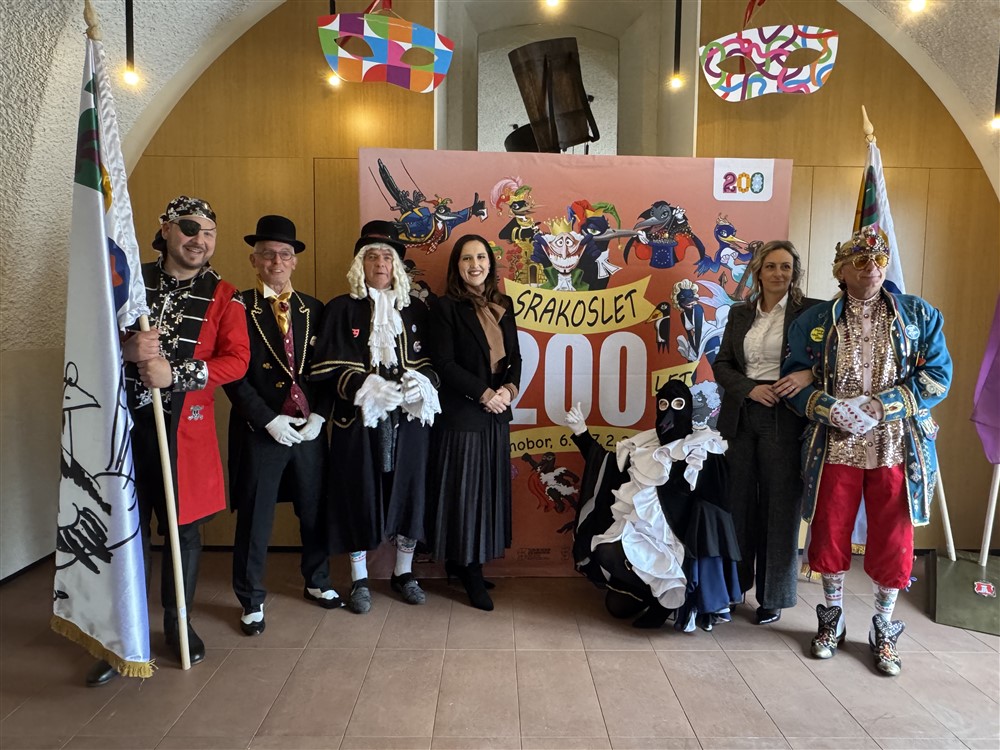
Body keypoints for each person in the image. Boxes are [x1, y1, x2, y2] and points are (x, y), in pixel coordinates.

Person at [87, 196, 250, 686]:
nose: (199, 240)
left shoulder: (226, 296)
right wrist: (125, 348)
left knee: (183, 531)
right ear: (165, 230)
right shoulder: (127, 283)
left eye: (208, 232)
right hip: (124, 427)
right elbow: (90, 337)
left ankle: (179, 621)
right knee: (125, 529)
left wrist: (176, 373)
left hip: (185, 431)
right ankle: (125, 632)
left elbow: (236, 360)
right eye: (189, 229)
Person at [783, 226, 952, 676]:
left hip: (896, 444)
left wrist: (883, 405)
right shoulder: (815, 322)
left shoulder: (918, 315)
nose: (872, 268)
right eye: (860, 261)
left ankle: (884, 627)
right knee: (829, 529)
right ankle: (832, 618)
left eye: (879, 260)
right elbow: (793, 382)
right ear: (840, 270)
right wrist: (830, 408)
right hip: (835, 444)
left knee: (894, 536)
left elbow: (937, 377)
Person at [310, 220, 440, 614]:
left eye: (387, 256)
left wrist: (422, 384)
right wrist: (363, 386)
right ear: (360, 264)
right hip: (359, 423)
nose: (380, 263)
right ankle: (359, 578)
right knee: (358, 494)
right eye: (372, 257)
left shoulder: (417, 309)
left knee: (409, 491)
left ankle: (404, 572)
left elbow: (435, 361)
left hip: (408, 421)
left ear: (397, 265)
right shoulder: (340, 308)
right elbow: (325, 369)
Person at [225, 215, 340, 637]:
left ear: (294, 261)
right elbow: (233, 374)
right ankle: (251, 598)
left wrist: (320, 416)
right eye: (268, 254)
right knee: (256, 516)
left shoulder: (315, 308)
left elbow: (328, 370)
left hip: (307, 430)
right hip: (262, 429)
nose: (277, 261)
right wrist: (267, 419)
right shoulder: (238, 307)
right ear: (254, 260)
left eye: (285, 254)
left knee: (314, 508)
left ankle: (317, 579)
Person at [566, 381, 741, 632]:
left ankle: (671, 599)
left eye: (678, 404)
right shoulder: (644, 446)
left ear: (688, 409)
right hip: (640, 535)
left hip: (678, 545)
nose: (669, 412)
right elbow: (606, 465)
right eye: (664, 404)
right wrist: (581, 432)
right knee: (615, 601)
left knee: (611, 557)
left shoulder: (703, 450)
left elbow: (718, 510)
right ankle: (657, 596)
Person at [712, 241, 819, 625]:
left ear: (795, 272)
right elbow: (722, 364)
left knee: (780, 508)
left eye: (786, 266)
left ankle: (773, 597)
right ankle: (732, 589)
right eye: (771, 266)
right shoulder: (740, 313)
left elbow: (834, 359)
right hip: (741, 416)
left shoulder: (813, 312)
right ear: (758, 271)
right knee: (737, 505)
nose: (778, 273)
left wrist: (808, 374)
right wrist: (748, 389)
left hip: (786, 417)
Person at [426, 234, 522, 611]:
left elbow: (515, 357)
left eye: (481, 257)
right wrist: (484, 394)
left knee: (488, 494)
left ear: (490, 263)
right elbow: (444, 364)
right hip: (463, 414)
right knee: (466, 497)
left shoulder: (504, 304)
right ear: (457, 266)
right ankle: (467, 569)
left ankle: (467, 564)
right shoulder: (445, 307)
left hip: (497, 412)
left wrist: (508, 391)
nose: (475, 265)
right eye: (467, 258)